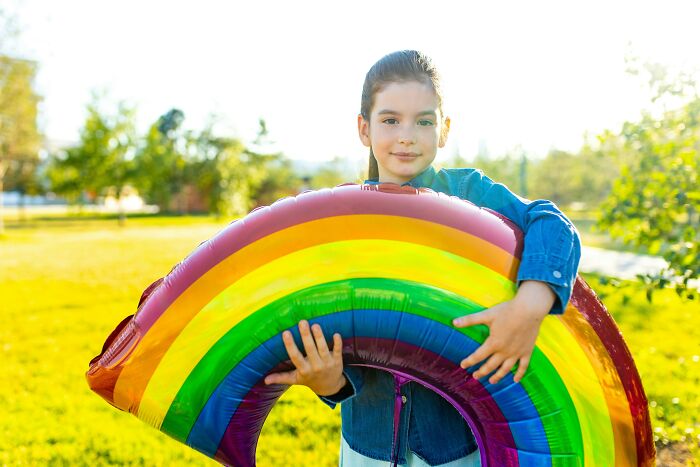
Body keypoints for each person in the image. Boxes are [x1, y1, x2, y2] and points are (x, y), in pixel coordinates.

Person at [264, 50, 581, 466]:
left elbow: (553, 224)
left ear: (444, 130)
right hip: (369, 446)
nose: (407, 136)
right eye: (391, 120)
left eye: (424, 121)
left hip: (457, 443)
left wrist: (529, 307)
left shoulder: (470, 195)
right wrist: (329, 383)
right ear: (364, 128)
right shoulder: (345, 220)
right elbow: (341, 323)